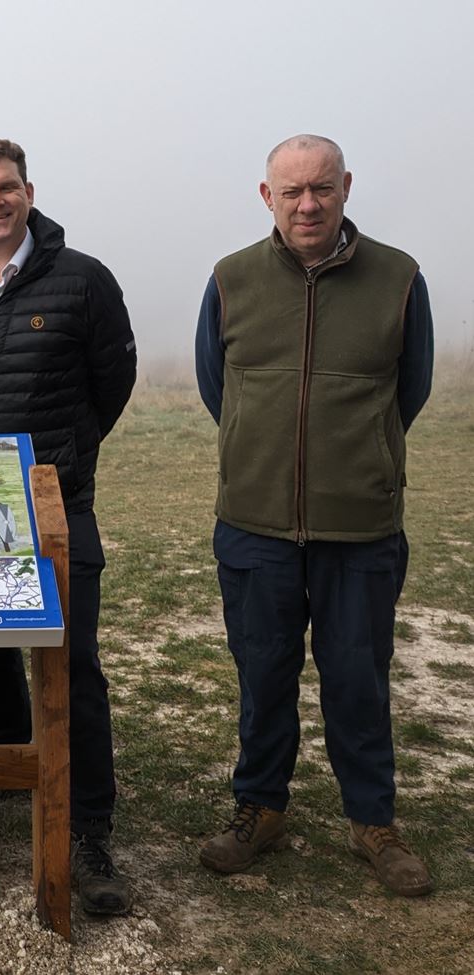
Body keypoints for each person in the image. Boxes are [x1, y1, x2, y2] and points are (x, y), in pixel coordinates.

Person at [195, 135, 434, 896]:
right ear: (266, 196)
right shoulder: (230, 280)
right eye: (292, 191)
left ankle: (374, 822)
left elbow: (412, 388)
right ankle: (259, 809)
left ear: (346, 188)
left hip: (359, 529)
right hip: (254, 527)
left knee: (358, 681)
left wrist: (356, 455)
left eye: (322, 189)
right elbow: (216, 387)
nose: (308, 204)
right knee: (262, 676)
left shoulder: (399, 278)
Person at [0, 138, 137, 915]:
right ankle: (3, 762)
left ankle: (89, 828)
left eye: (7, 187)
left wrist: (67, 454)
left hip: (56, 504)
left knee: (74, 664)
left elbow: (114, 379)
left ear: (29, 192)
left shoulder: (84, 282)